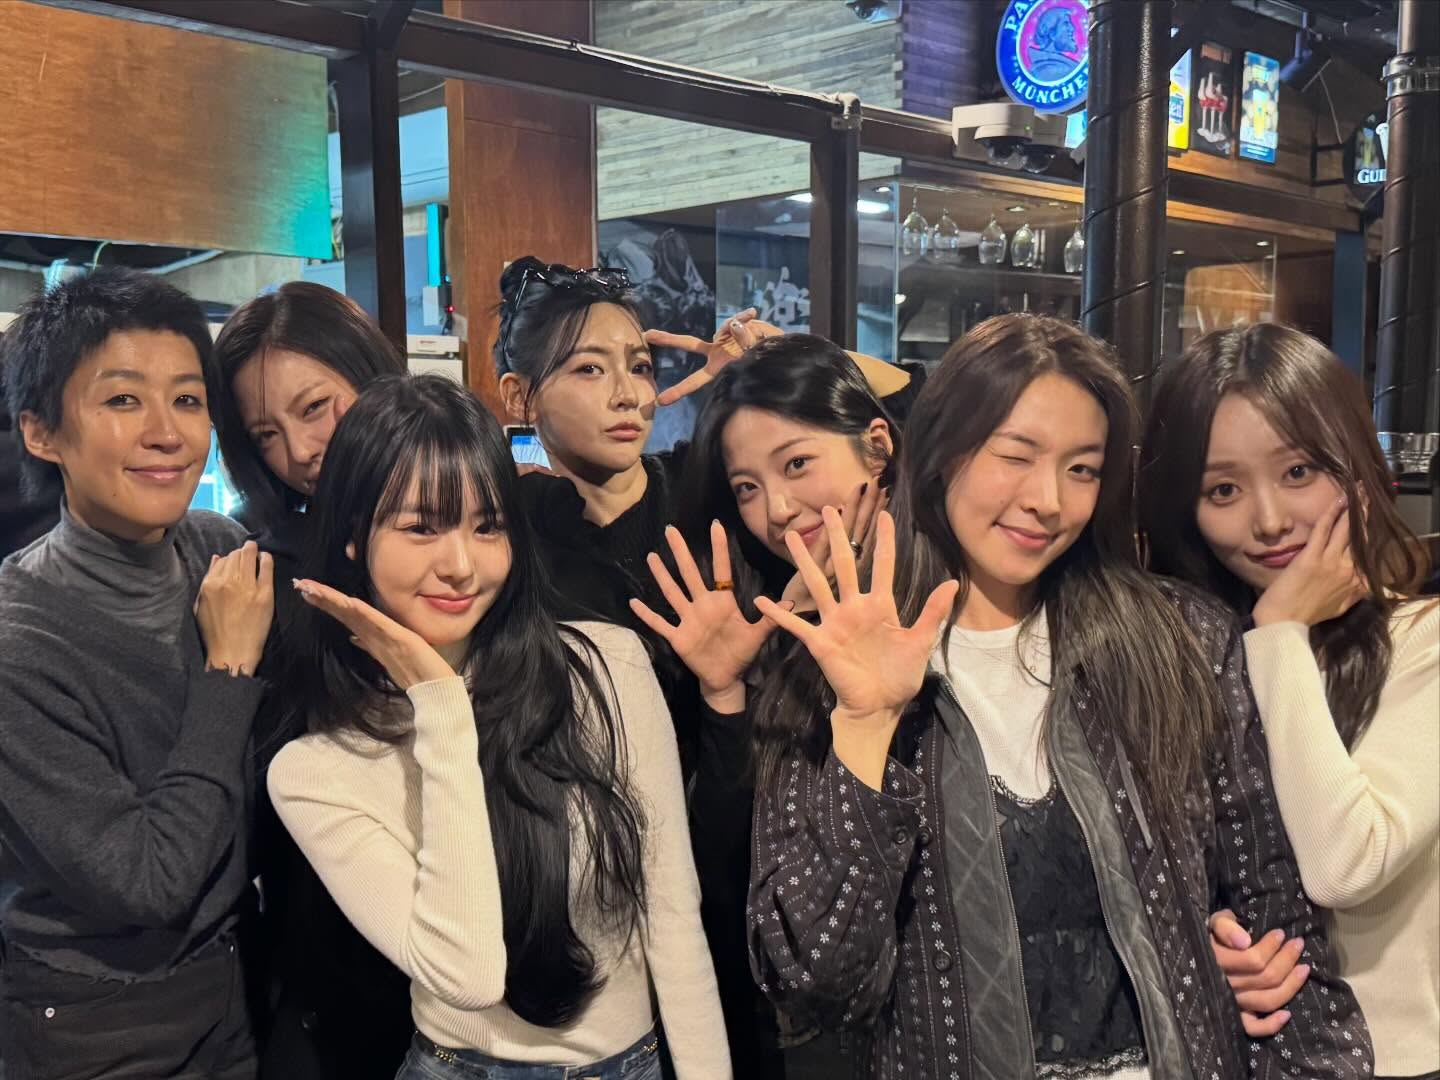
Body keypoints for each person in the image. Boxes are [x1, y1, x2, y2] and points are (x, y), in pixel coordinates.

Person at [745, 313, 1373, 1079]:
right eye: (1016, 455)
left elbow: (1280, 927)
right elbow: (814, 983)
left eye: (1082, 469)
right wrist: (867, 726)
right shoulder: (829, 664)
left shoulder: (1182, 639)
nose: (1049, 500)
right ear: (940, 452)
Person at [265, 374, 730, 1079]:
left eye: (487, 526)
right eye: (421, 527)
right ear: (354, 538)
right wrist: (441, 707)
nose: (460, 565)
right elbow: (470, 975)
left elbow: (672, 915)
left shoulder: (606, 665)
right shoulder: (316, 770)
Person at [1139, 323, 1438, 1080]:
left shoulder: (1425, 640)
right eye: (1223, 490)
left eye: (1299, 470)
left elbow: (1347, 863)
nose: (1269, 519)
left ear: (1356, 465)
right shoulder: (1188, 657)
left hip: (1395, 1059)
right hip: (1235, 1054)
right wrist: (1218, 943)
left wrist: (1280, 631)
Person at [0, 267, 274, 1080]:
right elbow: (148, 882)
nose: (167, 433)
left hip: (231, 979)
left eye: (187, 399)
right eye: (122, 399)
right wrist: (228, 669)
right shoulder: (20, 644)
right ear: (41, 433)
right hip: (96, 1018)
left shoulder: (219, 550)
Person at [631, 335, 898, 1076]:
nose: (777, 509)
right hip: (813, 1026)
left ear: (878, 448)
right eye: (746, 487)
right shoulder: (766, 617)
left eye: (797, 464)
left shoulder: (947, 591)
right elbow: (729, 870)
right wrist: (725, 695)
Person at [208, 281, 413, 1078]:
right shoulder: (264, 577)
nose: (299, 450)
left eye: (317, 407)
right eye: (266, 433)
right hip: (330, 975)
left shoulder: (470, 535)